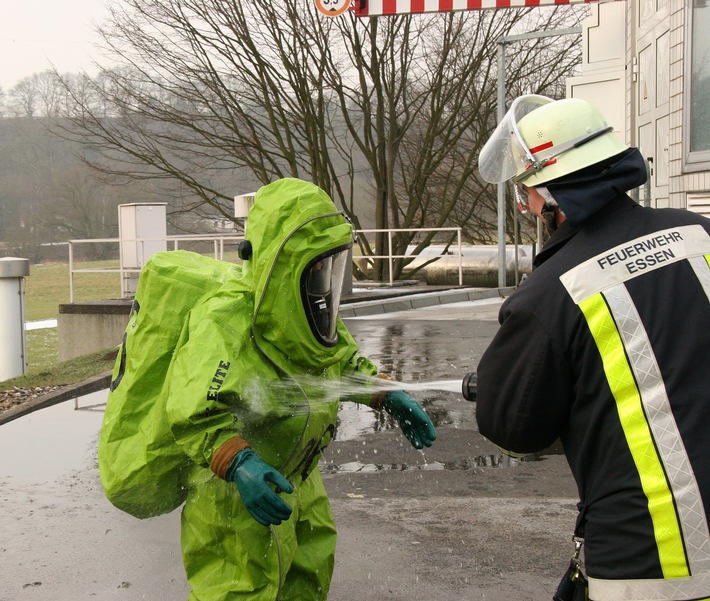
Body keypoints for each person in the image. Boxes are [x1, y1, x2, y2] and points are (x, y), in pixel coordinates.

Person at [471, 95, 710, 601]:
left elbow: (514, 428)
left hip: (654, 562)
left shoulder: (549, 294)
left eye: (528, 189)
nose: (526, 203)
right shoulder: (701, 236)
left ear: (552, 194)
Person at [163, 178, 436, 601]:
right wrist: (239, 465)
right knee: (238, 591)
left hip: (298, 481)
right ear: (282, 262)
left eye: (329, 264)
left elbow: (336, 359)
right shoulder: (225, 322)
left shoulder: (303, 308)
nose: (324, 278)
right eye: (316, 265)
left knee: (306, 582)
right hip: (235, 497)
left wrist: (385, 393)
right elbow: (191, 410)